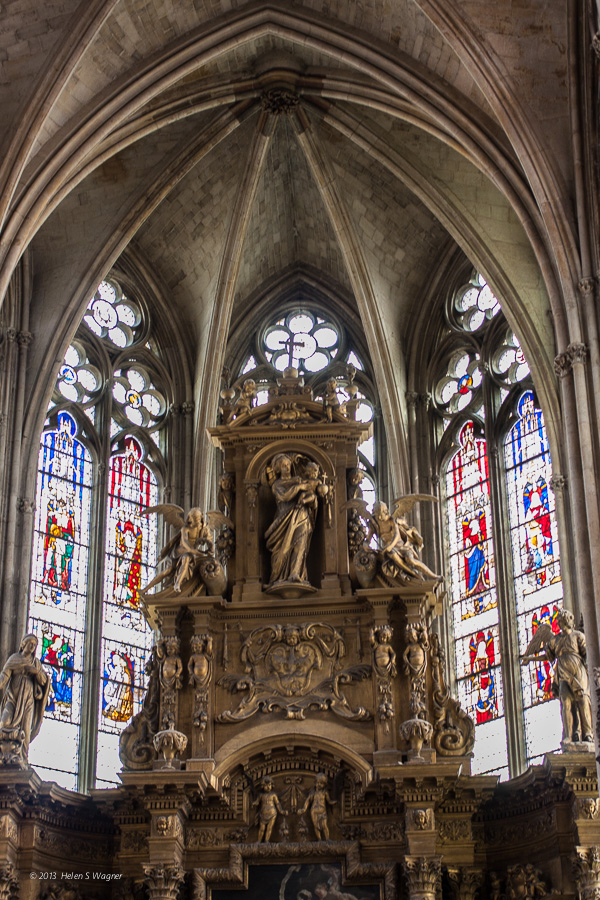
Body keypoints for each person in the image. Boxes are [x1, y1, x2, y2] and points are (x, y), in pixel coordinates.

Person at [265, 454, 323, 586]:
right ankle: (276, 578)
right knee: (281, 549)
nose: (287, 468)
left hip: (302, 516)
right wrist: (299, 487)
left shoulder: (299, 480)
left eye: (288, 465)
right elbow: (285, 496)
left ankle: (295, 573)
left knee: (300, 545)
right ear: (278, 469)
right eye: (283, 466)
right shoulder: (277, 485)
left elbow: (312, 494)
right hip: (283, 521)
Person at [0, 633, 50, 762]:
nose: (32, 647)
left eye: (34, 645)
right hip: (13, 698)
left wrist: (36, 672)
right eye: (30, 644)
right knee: (4, 722)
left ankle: (22, 758)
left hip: (28, 700)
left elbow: (44, 681)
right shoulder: (14, 659)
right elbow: (5, 676)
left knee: (26, 732)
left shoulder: (35, 663)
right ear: (23, 644)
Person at [545, 609, 593, 743]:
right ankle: (569, 735)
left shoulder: (578, 636)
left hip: (578, 671)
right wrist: (529, 659)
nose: (561, 622)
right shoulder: (555, 640)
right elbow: (548, 656)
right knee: (565, 702)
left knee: (583, 700)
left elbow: (588, 654)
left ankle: (588, 733)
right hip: (563, 674)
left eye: (562, 620)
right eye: (560, 620)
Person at [253, 776, 287, 841]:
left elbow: (277, 803)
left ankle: (266, 841)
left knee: (269, 828)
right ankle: (259, 840)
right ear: (263, 786)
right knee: (262, 828)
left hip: (272, 813)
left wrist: (281, 811)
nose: (268, 787)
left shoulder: (273, 795)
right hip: (263, 813)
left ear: (272, 785)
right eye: (266, 785)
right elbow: (257, 801)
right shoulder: (261, 795)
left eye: (269, 785)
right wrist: (254, 803)